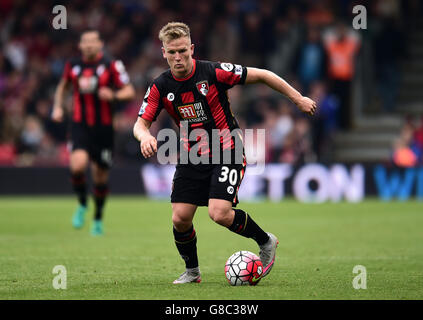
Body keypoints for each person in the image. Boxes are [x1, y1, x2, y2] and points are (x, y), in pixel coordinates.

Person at [133, 22, 317, 284]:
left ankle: (266, 241)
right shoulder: (160, 86)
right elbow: (140, 124)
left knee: (219, 213)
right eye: (171, 52)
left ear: (192, 49)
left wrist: (298, 98)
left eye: (182, 51)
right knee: (180, 218)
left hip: (227, 148)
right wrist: (145, 136)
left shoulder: (213, 72)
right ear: (163, 52)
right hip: (192, 155)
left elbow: (263, 74)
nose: (177, 57)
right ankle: (192, 272)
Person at [52, 30, 135, 235]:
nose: (88, 45)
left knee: (100, 177)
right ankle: (82, 203)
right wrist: (58, 107)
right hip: (80, 126)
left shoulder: (112, 65)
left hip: (104, 130)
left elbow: (129, 91)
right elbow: (63, 86)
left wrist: (113, 94)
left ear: (101, 44)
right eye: (85, 42)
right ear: (80, 45)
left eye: (92, 42)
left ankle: (97, 218)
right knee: (78, 166)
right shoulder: (73, 65)